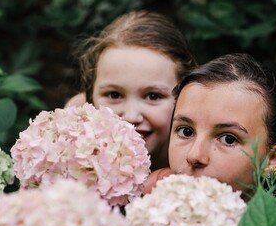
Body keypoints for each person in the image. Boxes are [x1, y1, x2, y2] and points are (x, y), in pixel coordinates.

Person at [146, 53, 276, 198]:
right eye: (186, 131)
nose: (194, 155)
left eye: (228, 139)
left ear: (272, 159)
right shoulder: (153, 194)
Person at [69, 10, 197, 171]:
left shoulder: (197, 156)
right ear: (90, 96)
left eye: (153, 96)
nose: (131, 117)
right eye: (114, 95)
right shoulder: (74, 123)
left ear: (185, 96)